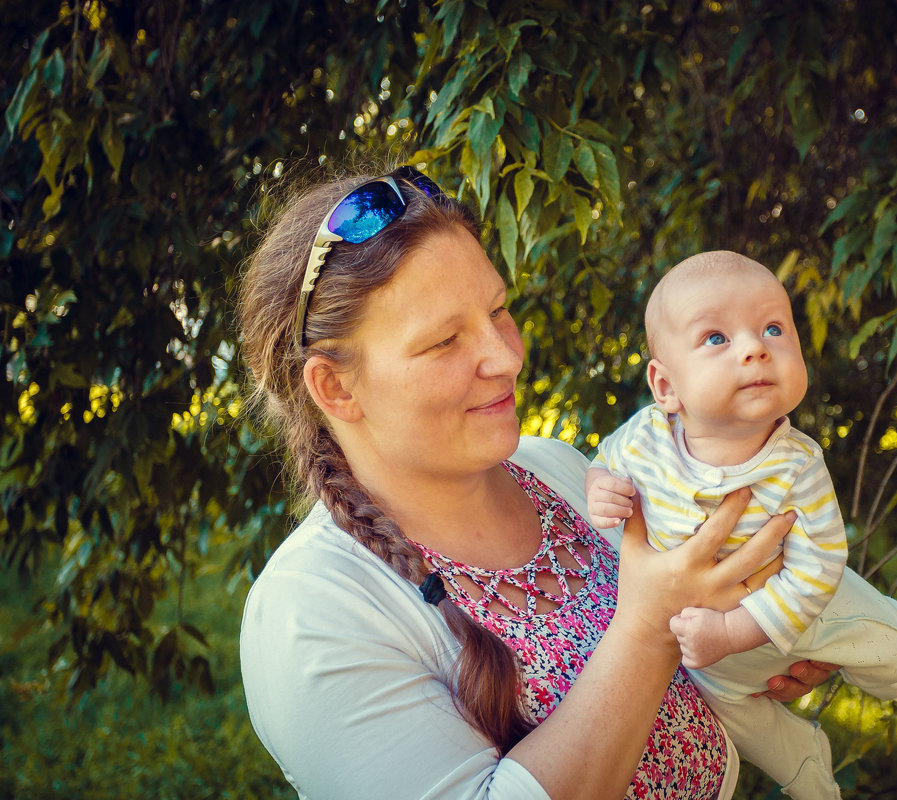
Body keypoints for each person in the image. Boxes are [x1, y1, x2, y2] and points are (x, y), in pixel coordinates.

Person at [235, 163, 838, 800]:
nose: (506, 357)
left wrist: (764, 637)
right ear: (335, 387)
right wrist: (647, 628)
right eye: (444, 342)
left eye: (498, 312)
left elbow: (702, 630)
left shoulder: (556, 468)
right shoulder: (311, 612)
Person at [586, 251, 897, 800]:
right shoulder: (645, 438)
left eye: (773, 328)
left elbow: (819, 565)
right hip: (703, 651)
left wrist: (734, 632)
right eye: (717, 338)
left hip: (793, 604)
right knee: (739, 727)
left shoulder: (797, 464)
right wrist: (599, 487)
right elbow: (605, 463)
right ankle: (806, 771)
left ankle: (887, 675)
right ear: (666, 386)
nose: (754, 347)